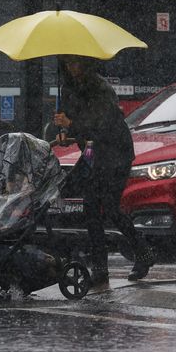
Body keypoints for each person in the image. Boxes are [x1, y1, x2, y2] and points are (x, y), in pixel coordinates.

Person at [53, 55, 154, 287]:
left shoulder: (100, 89)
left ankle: (143, 252)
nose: (72, 68)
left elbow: (101, 125)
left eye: (76, 63)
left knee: (109, 206)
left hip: (115, 153)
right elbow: (81, 127)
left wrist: (71, 125)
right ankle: (100, 269)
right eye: (68, 64)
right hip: (92, 153)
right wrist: (66, 133)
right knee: (90, 208)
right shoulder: (68, 88)